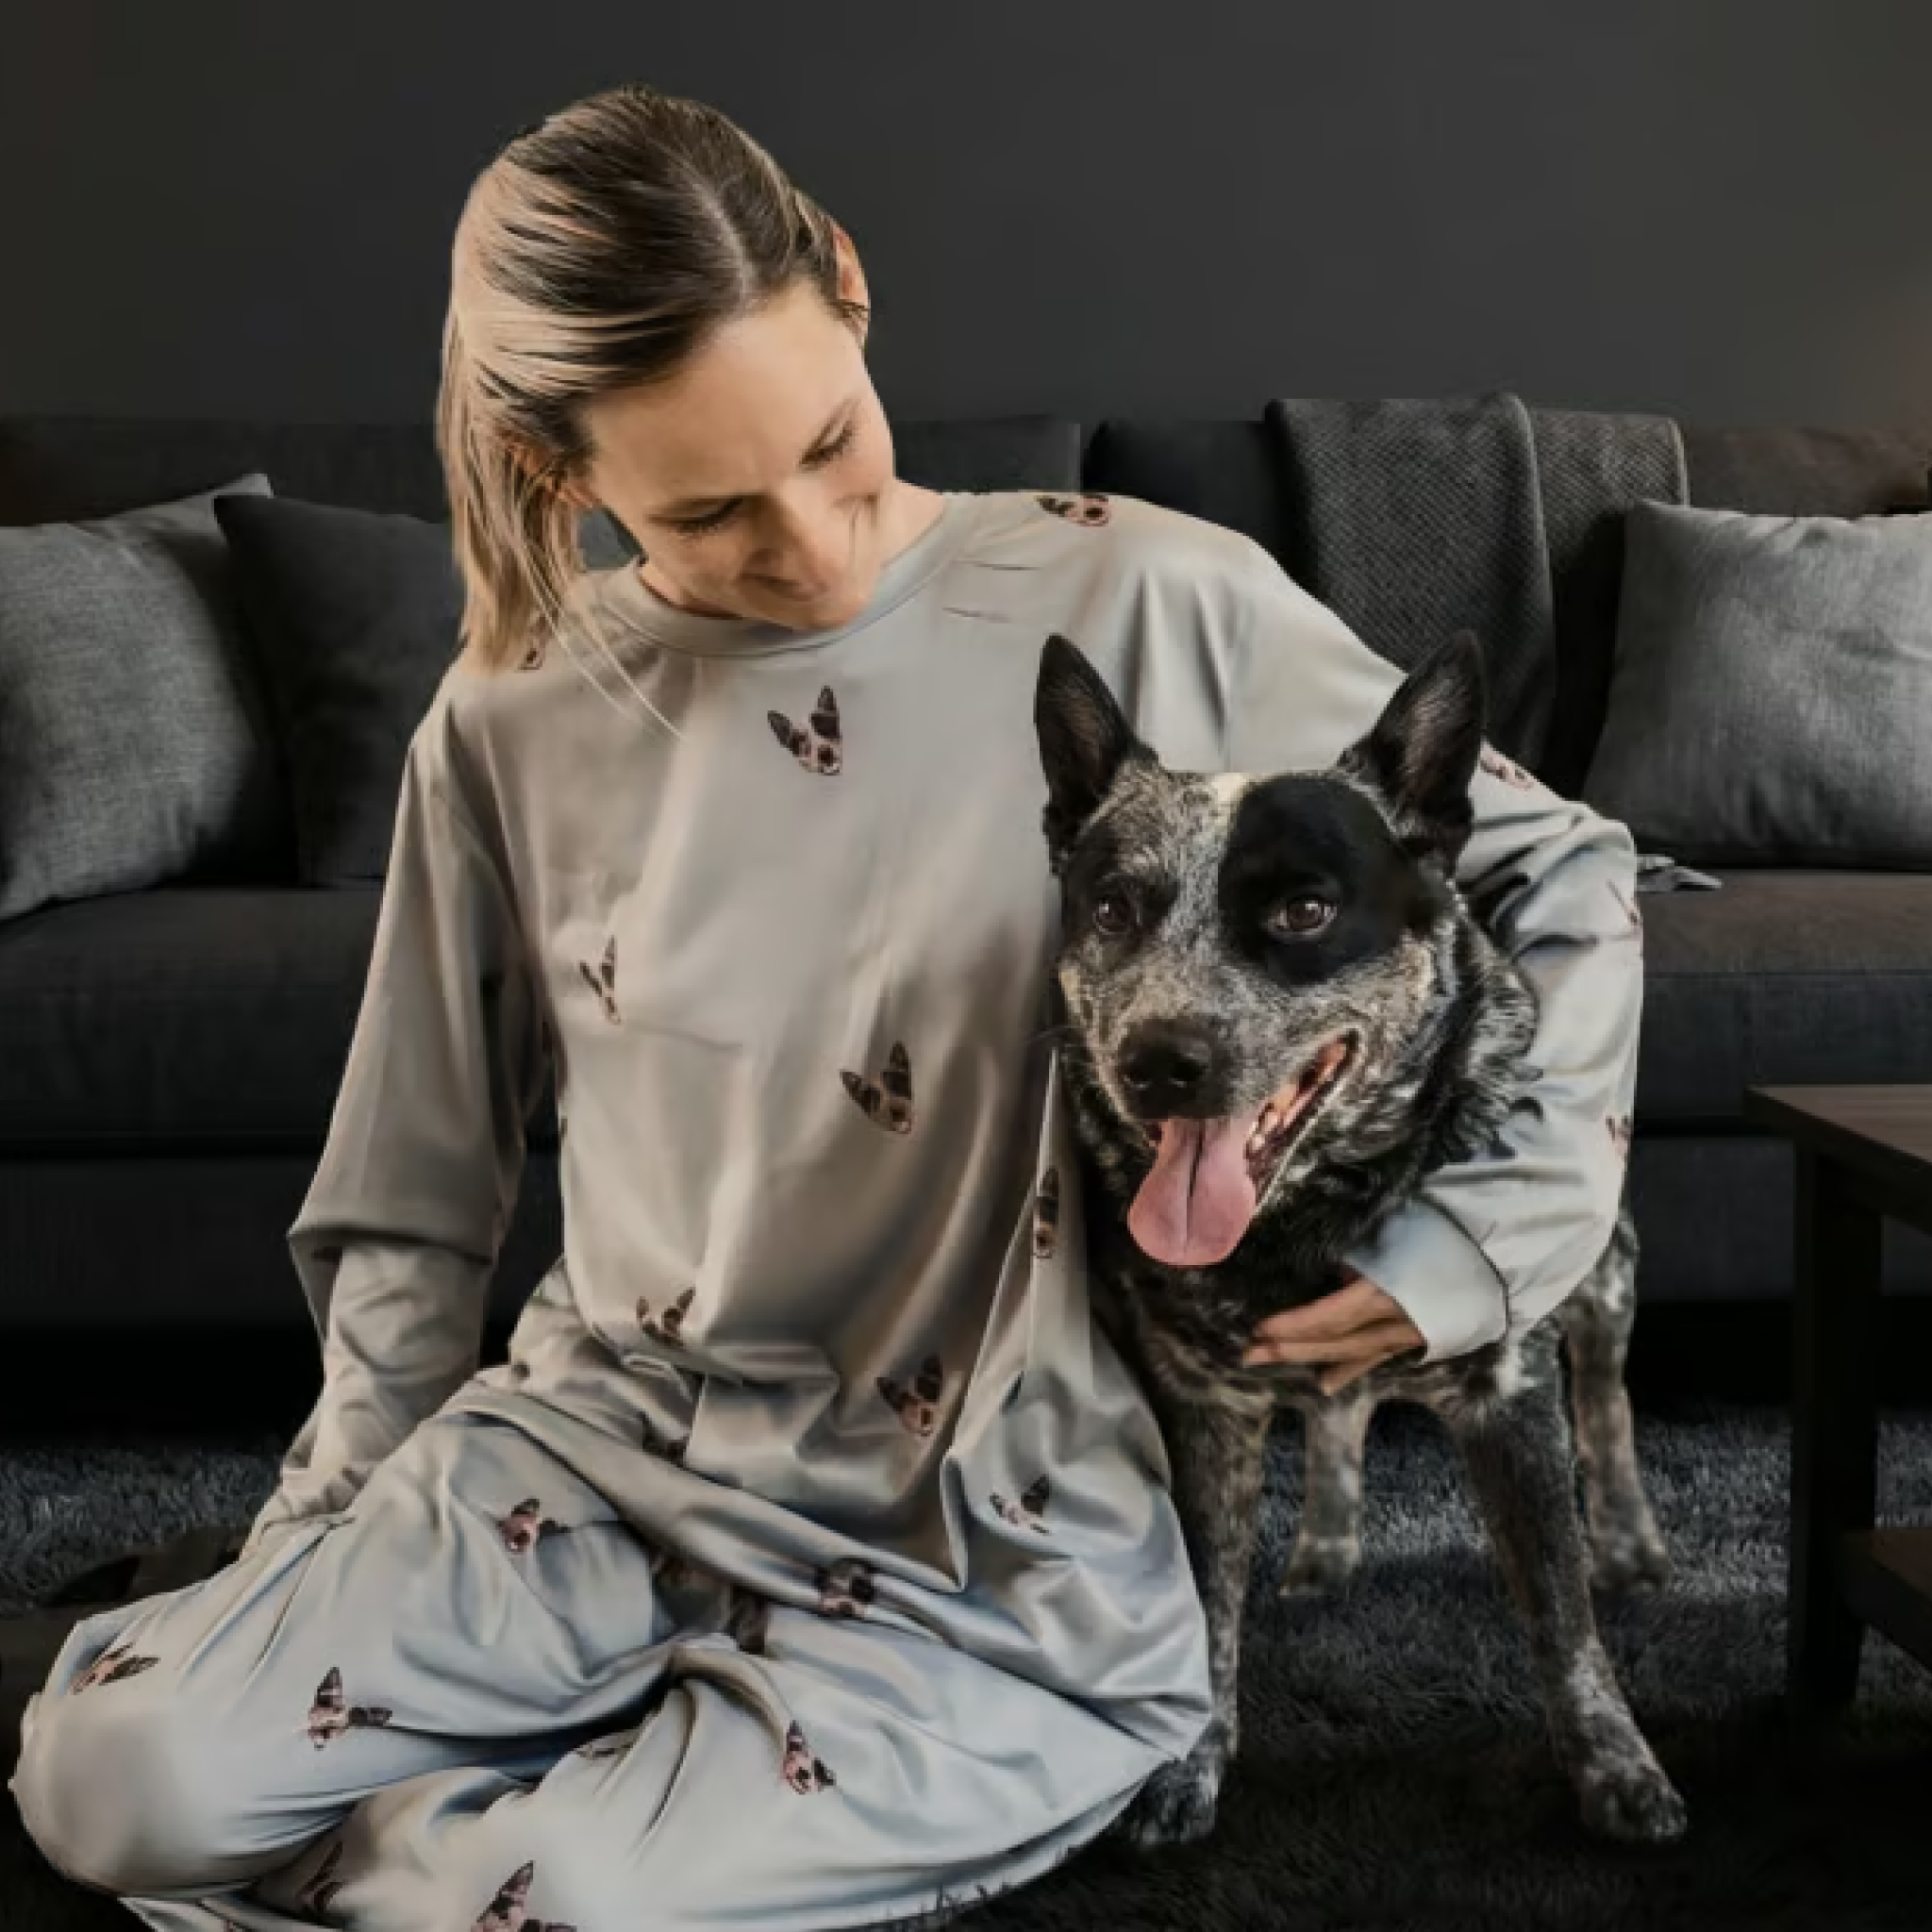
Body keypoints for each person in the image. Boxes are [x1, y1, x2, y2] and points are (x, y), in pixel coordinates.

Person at [9, 81, 1643, 1932]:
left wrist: (1476, 1245)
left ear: (849, 290)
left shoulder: (1148, 594)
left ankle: (547, 1838)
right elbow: (414, 1196)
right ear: (563, 473)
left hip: (976, 1531)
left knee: (535, 1898)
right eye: (708, 512)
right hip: (590, 1460)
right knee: (107, 1782)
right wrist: (328, 1538)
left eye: (833, 446)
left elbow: (1558, 865)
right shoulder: (511, 713)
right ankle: (533, 1792)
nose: (807, 545)